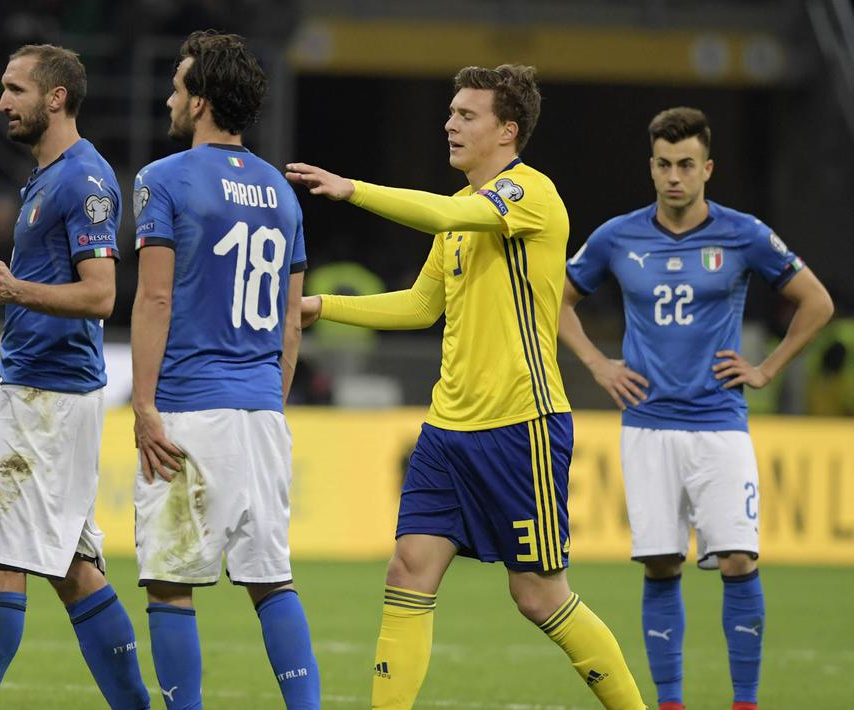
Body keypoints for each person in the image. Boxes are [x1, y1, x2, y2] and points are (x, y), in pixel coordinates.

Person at [287, 65, 646, 709]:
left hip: (521, 425)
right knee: (409, 571)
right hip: (447, 430)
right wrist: (323, 307)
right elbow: (423, 307)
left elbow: (445, 213)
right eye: (450, 112)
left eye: (467, 115)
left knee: (537, 595)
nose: (450, 123)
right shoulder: (459, 218)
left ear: (507, 131)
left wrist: (351, 189)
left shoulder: (531, 195)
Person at [559, 107, 834, 710]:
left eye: (687, 165)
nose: (674, 176)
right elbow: (557, 299)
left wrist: (765, 370)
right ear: (651, 167)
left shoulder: (745, 235)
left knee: (737, 556)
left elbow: (816, 303)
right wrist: (600, 364)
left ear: (708, 168)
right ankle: (672, 703)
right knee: (660, 562)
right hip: (647, 426)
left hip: (718, 425)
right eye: (664, 164)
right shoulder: (617, 236)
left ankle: (744, 702)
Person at [0, 45, 148, 710]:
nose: (2, 102)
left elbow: (99, 297)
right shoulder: (48, 178)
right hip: (41, 390)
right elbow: (38, 309)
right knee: (70, 570)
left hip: (48, 404)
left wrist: (13, 288)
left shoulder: (82, 182)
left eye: (15, 89)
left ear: (55, 98)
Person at [131, 30, 319, 710]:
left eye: (178, 86)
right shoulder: (282, 191)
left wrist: (144, 405)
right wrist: (270, 398)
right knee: (271, 579)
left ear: (201, 101)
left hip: (188, 406)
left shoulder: (164, 180)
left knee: (169, 582)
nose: (168, 98)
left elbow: (154, 296)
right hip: (261, 410)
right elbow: (292, 318)